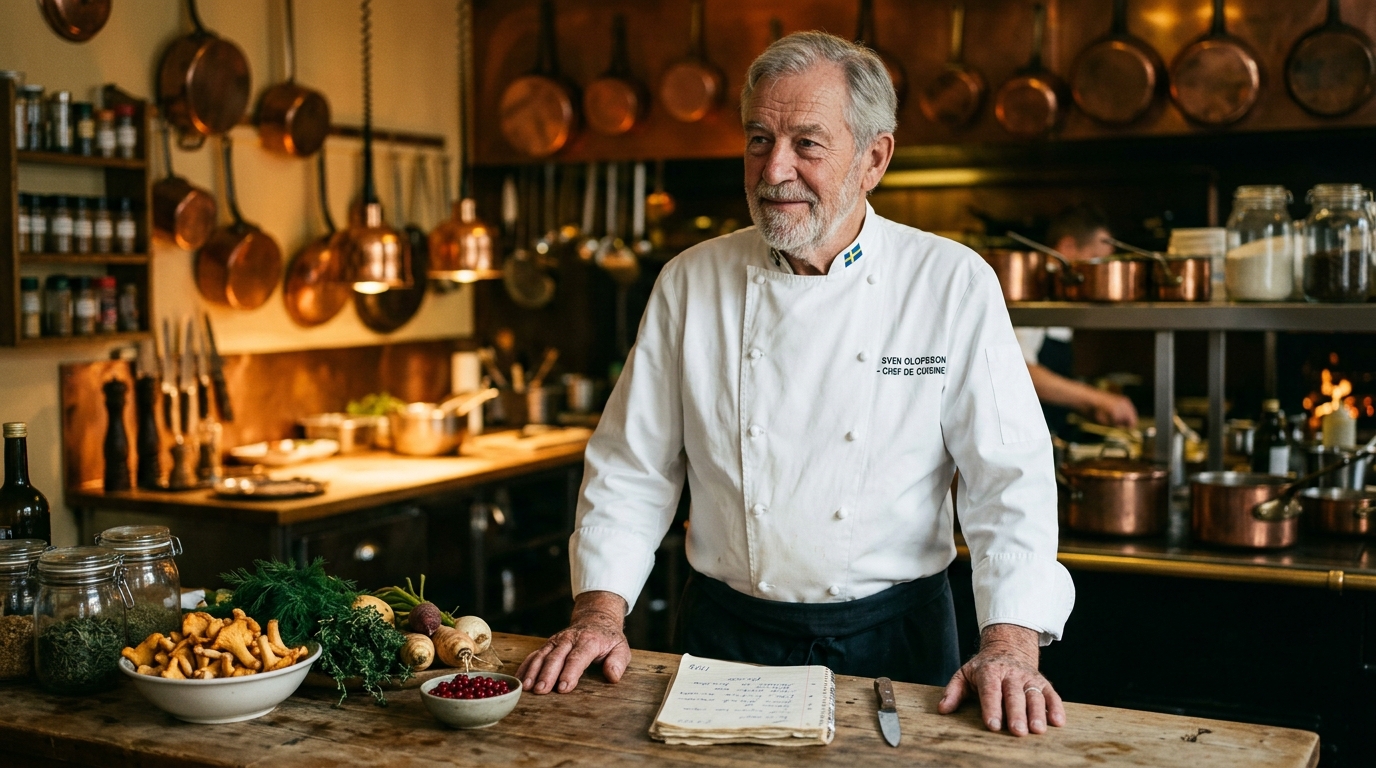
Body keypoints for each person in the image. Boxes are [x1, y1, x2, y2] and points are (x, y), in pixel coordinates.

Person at [518, 31, 1074, 738]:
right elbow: (634, 468)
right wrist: (598, 613)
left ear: (874, 158)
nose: (773, 169)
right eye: (758, 139)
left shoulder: (950, 282)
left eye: (806, 143)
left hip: (898, 641)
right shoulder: (690, 281)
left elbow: (1008, 481)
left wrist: (1010, 647)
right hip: (727, 636)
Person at [1016, 205, 1138, 433]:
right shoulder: (1032, 289)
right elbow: (1019, 371)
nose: (1100, 273)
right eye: (1095, 260)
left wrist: (1087, 405)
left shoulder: (1062, 295)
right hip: (1024, 436)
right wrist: (1096, 399)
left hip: (1050, 433)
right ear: (1068, 247)